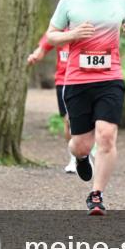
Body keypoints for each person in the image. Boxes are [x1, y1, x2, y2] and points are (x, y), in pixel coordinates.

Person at [45, 0, 125, 215]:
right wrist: (73, 34)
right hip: (76, 80)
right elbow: (51, 36)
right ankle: (80, 157)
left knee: (107, 136)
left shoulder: (122, 0)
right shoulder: (69, 1)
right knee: (81, 144)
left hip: (110, 78)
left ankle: (96, 195)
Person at [26, 34, 80, 173]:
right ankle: (74, 158)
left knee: (87, 121)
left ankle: (87, 150)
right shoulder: (59, 29)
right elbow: (46, 42)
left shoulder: (89, 27)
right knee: (69, 120)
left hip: (85, 79)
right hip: (64, 81)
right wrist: (36, 54)